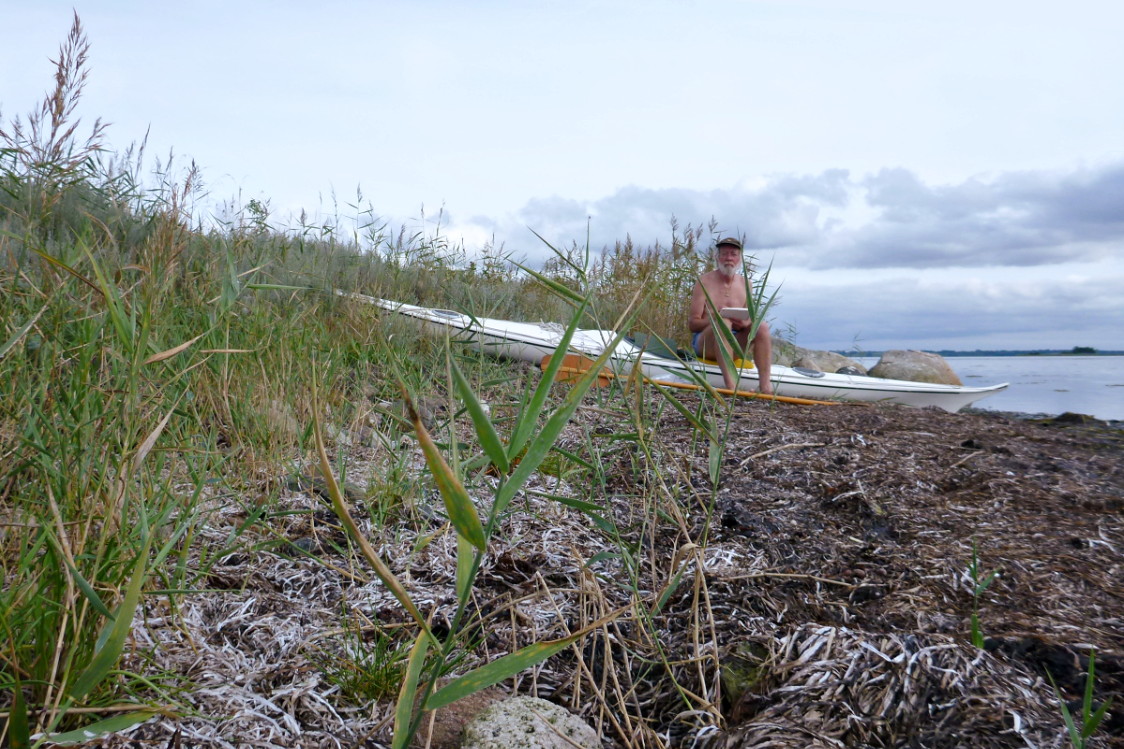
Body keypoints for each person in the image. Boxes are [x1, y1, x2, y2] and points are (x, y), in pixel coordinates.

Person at [688, 237, 773, 394]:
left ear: (739, 259)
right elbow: (693, 324)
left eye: (733, 254)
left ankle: (766, 387)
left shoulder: (745, 284)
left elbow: (748, 319)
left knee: (762, 327)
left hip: (733, 344)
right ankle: (731, 387)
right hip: (706, 343)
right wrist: (716, 319)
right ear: (717, 257)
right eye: (724, 254)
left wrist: (744, 324)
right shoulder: (704, 282)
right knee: (724, 323)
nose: (728, 258)